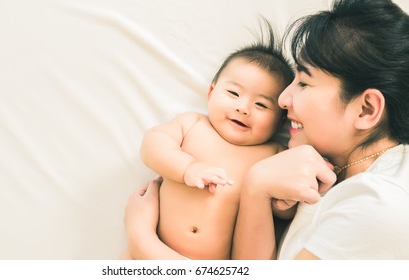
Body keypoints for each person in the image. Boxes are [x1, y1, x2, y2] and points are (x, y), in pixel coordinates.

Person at [123, 0, 409, 260]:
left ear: (366, 109)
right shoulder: (333, 170)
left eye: (304, 83)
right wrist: (257, 191)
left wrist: (142, 238)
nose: (283, 101)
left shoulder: (378, 207)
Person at [120, 22, 295, 260]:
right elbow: (152, 145)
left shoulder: (274, 153)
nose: (243, 108)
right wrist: (187, 168)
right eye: (233, 93)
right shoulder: (193, 125)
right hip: (142, 258)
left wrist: (284, 205)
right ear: (211, 93)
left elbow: (282, 209)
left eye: (261, 104)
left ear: (280, 121)